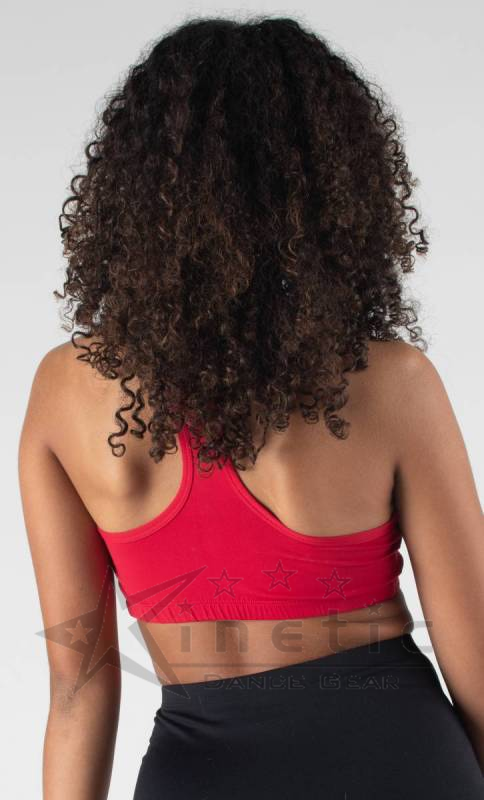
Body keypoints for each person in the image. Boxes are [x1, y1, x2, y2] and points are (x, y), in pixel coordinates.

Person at [18, 14, 484, 800]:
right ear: (327, 189)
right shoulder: (390, 382)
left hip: (199, 774)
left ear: (139, 191)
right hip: (400, 764)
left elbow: (77, 687)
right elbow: (478, 660)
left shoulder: (65, 392)